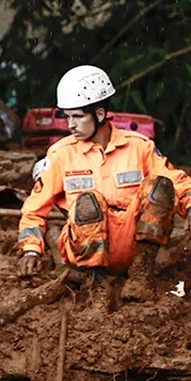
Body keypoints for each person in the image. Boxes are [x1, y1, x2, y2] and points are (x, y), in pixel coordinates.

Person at [17, 65, 191, 301]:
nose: (70, 125)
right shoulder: (60, 154)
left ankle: (141, 277)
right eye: (68, 116)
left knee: (160, 186)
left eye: (78, 116)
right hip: (83, 249)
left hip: (132, 243)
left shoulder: (138, 146)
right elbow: (34, 208)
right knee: (89, 203)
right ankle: (96, 287)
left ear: (99, 114)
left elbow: (176, 182)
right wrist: (31, 249)